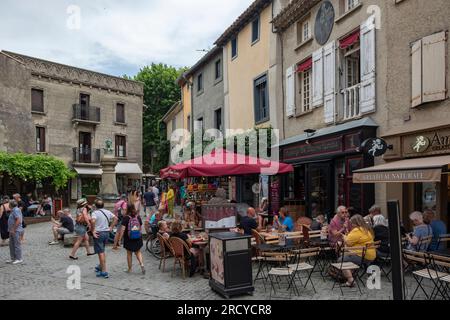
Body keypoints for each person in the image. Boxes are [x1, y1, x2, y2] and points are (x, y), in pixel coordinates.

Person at [340, 215, 376, 287]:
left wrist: (344, 237)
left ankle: (350, 280)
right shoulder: (366, 229)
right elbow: (355, 240)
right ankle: (351, 275)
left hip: (362, 256)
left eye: (352, 223)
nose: (351, 224)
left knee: (341, 259)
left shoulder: (357, 230)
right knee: (347, 257)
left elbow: (348, 242)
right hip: (371, 255)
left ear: (355, 223)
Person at [91, 199, 118, 279]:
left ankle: (104, 271)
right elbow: (116, 218)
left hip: (99, 233)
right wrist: (111, 227)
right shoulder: (107, 211)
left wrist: (93, 231)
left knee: (101, 252)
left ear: (95, 206)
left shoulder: (95, 213)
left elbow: (92, 221)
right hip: (106, 233)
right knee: (102, 250)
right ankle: (100, 266)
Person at [115, 203, 145, 274]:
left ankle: (130, 269)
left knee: (129, 253)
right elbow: (140, 227)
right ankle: (142, 264)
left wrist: (119, 239)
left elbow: (122, 229)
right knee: (138, 252)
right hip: (138, 237)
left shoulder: (126, 218)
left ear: (127, 209)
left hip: (129, 238)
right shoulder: (138, 216)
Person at [6, 200, 24, 265]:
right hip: (12, 230)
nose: (8, 205)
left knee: (16, 244)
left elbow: (18, 220)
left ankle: (19, 259)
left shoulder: (16, 210)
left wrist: (13, 229)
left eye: (8, 204)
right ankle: (13, 258)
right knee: (11, 245)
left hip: (16, 230)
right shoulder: (13, 210)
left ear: (10, 205)